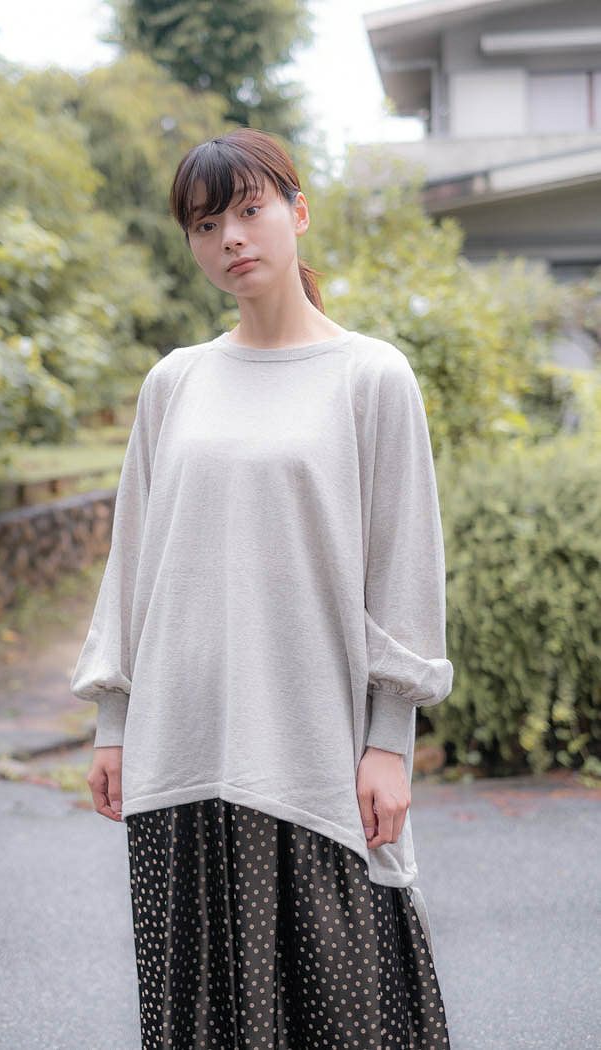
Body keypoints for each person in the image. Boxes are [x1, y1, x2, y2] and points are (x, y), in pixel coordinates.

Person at [70, 127, 454, 1049]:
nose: (231, 239)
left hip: (311, 752)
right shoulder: (175, 383)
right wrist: (114, 723)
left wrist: (389, 742)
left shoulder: (370, 376)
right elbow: (134, 563)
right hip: (181, 747)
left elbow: (403, 567)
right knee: (201, 1021)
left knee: (348, 1016)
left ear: (298, 211)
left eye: (249, 210)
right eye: (206, 225)